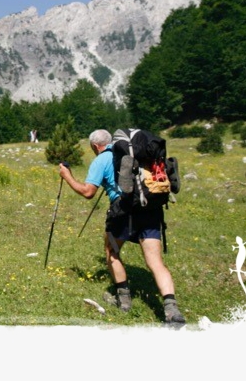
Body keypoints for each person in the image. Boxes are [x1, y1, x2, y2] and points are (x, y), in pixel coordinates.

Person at [58, 129, 185, 324]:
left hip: (123, 212)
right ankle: (171, 310)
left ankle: (123, 300)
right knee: (155, 262)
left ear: (94, 146)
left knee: (112, 252)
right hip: (149, 208)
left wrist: (67, 176)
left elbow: (88, 192)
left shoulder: (102, 159)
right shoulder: (137, 154)